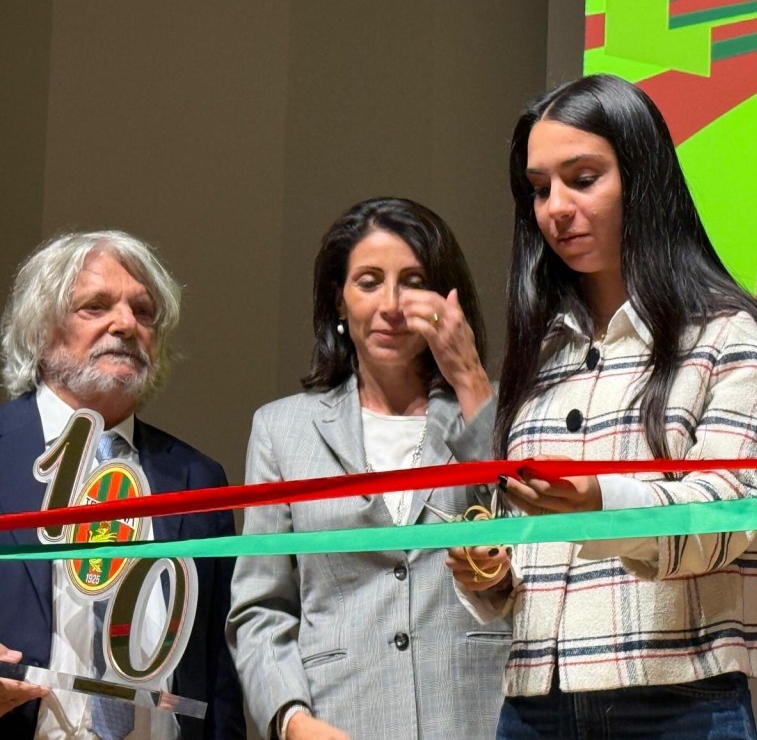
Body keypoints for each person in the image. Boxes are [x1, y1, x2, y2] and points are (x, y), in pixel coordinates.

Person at [447, 74, 757, 739]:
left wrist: (602, 500)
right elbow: (524, 550)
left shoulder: (730, 330)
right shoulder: (541, 350)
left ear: (643, 177)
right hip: (534, 705)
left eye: (583, 178)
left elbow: (732, 515)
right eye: (539, 188)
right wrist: (490, 568)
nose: (556, 207)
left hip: (677, 701)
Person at [226, 197, 510, 740]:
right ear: (339, 299)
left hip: (480, 717)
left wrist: (471, 380)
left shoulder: (502, 410)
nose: (392, 304)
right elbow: (261, 608)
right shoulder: (282, 430)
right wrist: (292, 721)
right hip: (339, 719)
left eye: (413, 280)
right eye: (369, 281)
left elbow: (533, 539)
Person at [0, 230, 244, 739]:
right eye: (96, 306)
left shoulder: (197, 480)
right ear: (41, 330)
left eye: (144, 312)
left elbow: (220, 677)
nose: (127, 325)